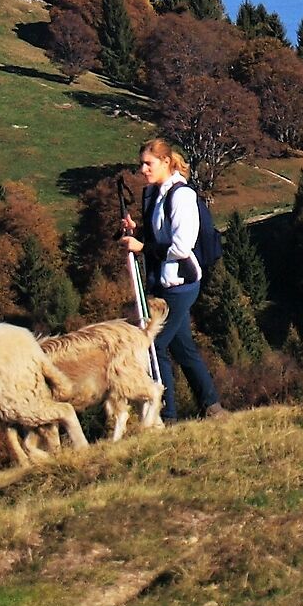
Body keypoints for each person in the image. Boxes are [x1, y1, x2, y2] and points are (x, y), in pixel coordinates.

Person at [118, 138, 225, 422]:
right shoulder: (157, 194)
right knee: (182, 347)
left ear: (166, 162)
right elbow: (160, 234)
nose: (143, 170)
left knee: (156, 346)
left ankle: (167, 415)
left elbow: (181, 246)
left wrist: (142, 248)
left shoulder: (181, 196)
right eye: (141, 164)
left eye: (148, 164)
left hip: (181, 284)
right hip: (166, 282)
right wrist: (138, 231)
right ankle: (212, 407)